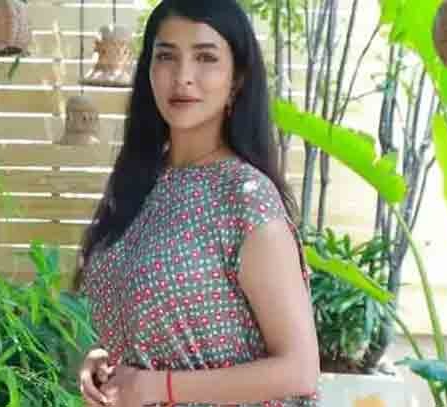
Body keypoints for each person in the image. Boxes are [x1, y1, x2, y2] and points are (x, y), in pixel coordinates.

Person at [75, 0, 320, 405]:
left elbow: (300, 370)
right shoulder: (138, 184)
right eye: (166, 57)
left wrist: (159, 386)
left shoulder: (245, 196)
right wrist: (106, 361)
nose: (183, 77)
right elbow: (153, 327)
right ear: (148, 71)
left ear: (237, 79)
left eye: (205, 57)